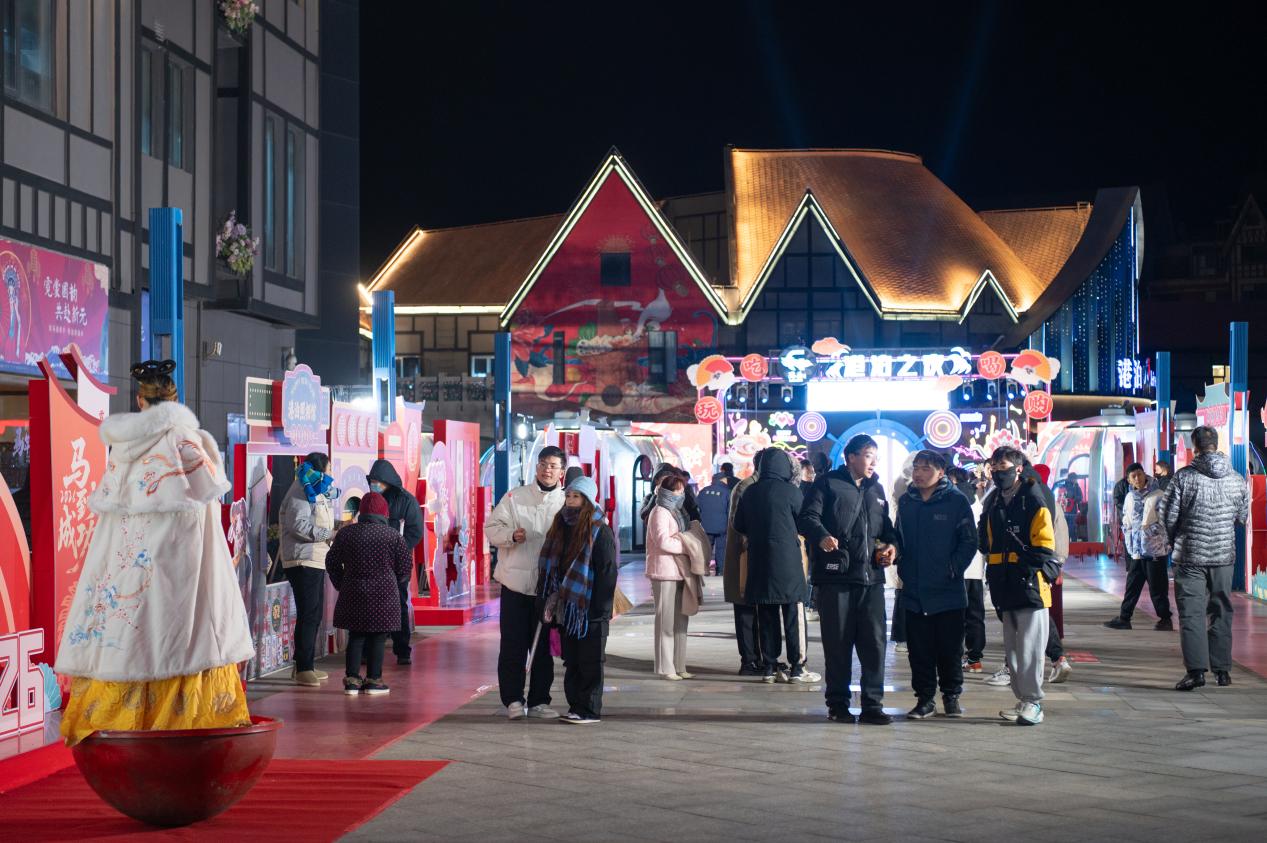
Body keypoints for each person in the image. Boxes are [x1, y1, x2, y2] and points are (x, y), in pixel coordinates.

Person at [56, 360, 253, 745]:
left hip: (131, 561)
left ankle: (123, 721)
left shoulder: (122, 448)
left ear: (139, 400)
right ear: (174, 398)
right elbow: (209, 498)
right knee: (186, 633)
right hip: (182, 561)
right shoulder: (188, 441)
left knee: (131, 631)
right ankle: (183, 721)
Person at [799, 434, 898, 726]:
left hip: (871, 580)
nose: (873, 462)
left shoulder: (876, 489)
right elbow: (807, 517)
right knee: (838, 644)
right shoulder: (827, 483)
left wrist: (892, 547)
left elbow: (886, 530)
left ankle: (872, 705)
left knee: (875, 645)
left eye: (875, 456)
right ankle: (838, 704)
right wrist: (821, 536)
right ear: (851, 457)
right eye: (868, 455)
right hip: (836, 579)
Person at [1159, 426, 1249, 691]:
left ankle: (1196, 672)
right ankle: (1222, 671)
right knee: (1221, 610)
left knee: (1191, 613)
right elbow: (1242, 517)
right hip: (1223, 557)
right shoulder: (1236, 479)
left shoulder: (1183, 477)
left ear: (1194, 447)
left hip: (1190, 556)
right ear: (1216, 445)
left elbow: (1167, 516)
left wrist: (1175, 539)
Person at [979, 446, 1059, 726]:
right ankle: (1023, 699)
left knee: (1030, 649)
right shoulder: (994, 500)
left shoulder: (1032, 497)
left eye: (1003, 467)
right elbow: (985, 540)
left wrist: (1025, 569)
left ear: (1018, 468)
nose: (998, 473)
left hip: (1030, 584)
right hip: (1003, 584)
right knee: (1013, 650)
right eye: (994, 468)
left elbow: (1044, 545)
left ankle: (1034, 702)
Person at [895, 450, 977, 718]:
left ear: (941, 472)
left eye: (926, 468)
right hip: (914, 591)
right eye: (916, 468)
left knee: (949, 649)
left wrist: (953, 568)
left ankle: (951, 696)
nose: (918, 473)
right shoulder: (906, 502)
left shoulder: (956, 500)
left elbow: (969, 541)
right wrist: (898, 559)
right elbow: (898, 537)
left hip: (947, 591)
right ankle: (925, 699)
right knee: (919, 651)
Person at [486, 446, 566, 719]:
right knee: (512, 644)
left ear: (562, 471)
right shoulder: (515, 497)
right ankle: (513, 700)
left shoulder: (566, 501)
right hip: (515, 585)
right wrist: (511, 535)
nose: (547, 470)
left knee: (542, 647)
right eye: (543, 464)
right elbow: (491, 528)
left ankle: (540, 701)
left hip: (547, 589)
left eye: (553, 465)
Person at [536, 476, 619, 724]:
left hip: (590, 607)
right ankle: (575, 706)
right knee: (571, 660)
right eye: (569, 496)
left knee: (591, 661)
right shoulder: (560, 525)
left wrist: (602, 609)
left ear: (588, 500)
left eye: (577, 496)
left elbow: (607, 571)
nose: (571, 501)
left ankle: (589, 709)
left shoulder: (599, 530)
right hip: (567, 607)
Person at [735, 448, 810, 683]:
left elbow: (739, 524)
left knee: (766, 614)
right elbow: (804, 522)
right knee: (793, 613)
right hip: (788, 563)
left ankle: (769, 667)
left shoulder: (750, 492)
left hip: (759, 562)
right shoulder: (792, 492)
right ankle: (797, 667)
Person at [327, 491, 412, 696]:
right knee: (378, 636)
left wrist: (342, 583)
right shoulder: (393, 536)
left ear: (361, 511)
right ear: (384, 512)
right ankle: (374, 680)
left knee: (356, 635)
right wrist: (395, 582)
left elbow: (331, 562)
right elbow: (405, 567)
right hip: (384, 594)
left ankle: (352, 681)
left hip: (353, 591)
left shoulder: (346, 534)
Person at [279, 452, 340, 686]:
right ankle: (303, 667)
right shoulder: (301, 489)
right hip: (303, 560)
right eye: (329, 468)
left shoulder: (316, 488)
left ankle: (305, 665)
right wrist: (329, 534)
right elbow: (298, 525)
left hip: (316, 559)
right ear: (320, 468)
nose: (331, 473)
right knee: (309, 613)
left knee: (314, 614)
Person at [365, 459, 425, 665]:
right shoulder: (371, 500)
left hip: (398, 562)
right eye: (372, 481)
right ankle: (367, 651)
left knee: (398, 604)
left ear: (388, 481)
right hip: (373, 561)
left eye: (378, 481)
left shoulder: (407, 501)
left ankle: (402, 650)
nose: (374, 485)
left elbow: (415, 531)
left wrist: (398, 550)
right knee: (370, 606)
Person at [645, 475, 702, 679]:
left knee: (680, 620)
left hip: (680, 571)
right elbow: (662, 541)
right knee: (665, 621)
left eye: (682, 490)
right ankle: (665, 667)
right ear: (667, 492)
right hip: (663, 572)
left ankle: (679, 665)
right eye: (678, 490)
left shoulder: (677, 511)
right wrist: (687, 546)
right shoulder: (659, 512)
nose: (681, 494)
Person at [1104, 463, 1174, 631]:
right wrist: (1129, 541)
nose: (1137, 478)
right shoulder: (1129, 497)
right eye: (1133, 476)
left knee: (1158, 587)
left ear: (1145, 474)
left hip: (1154, 551)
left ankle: (1165, 619)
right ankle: (1124, 618)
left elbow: (1167, 520)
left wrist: (1153, 532)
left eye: (1139, 474)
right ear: (1128, 480)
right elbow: (1127, 520)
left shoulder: (1158, 495)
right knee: (1132, 586)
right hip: (1136, 551)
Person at [724, 451, 767, 675]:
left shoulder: (754, 485)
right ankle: (749, 661)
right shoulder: (747, 487)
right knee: (746, 611)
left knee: (755, 611)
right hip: (744, 558)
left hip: (752, 557)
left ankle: (758, 659)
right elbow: (738, 524)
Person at [697, 468, 732, 576]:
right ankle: (720, 570)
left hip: (705, 525)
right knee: (721, 549)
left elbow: (697, 507)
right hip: (722, 526)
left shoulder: (703, 491)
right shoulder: (727, 492)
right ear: (723, 480)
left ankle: (703, 569)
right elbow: (730, 510)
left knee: (706, 548)